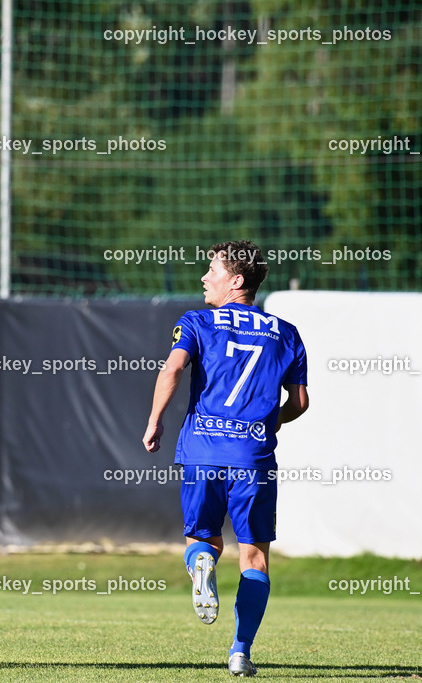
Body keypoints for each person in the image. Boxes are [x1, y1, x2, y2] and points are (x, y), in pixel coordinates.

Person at [143, 240, 309, 677]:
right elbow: (301, 402)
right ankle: (240, 652)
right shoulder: (286, 332)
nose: (203, 277)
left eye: (211, 270)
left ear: (236, 280)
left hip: (202, 450)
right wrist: (268, 422)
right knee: (254, 556)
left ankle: (202, 563)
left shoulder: (197, 321)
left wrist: (155, 420)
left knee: (202, 539)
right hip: (252, 455)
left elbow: (174, 368)